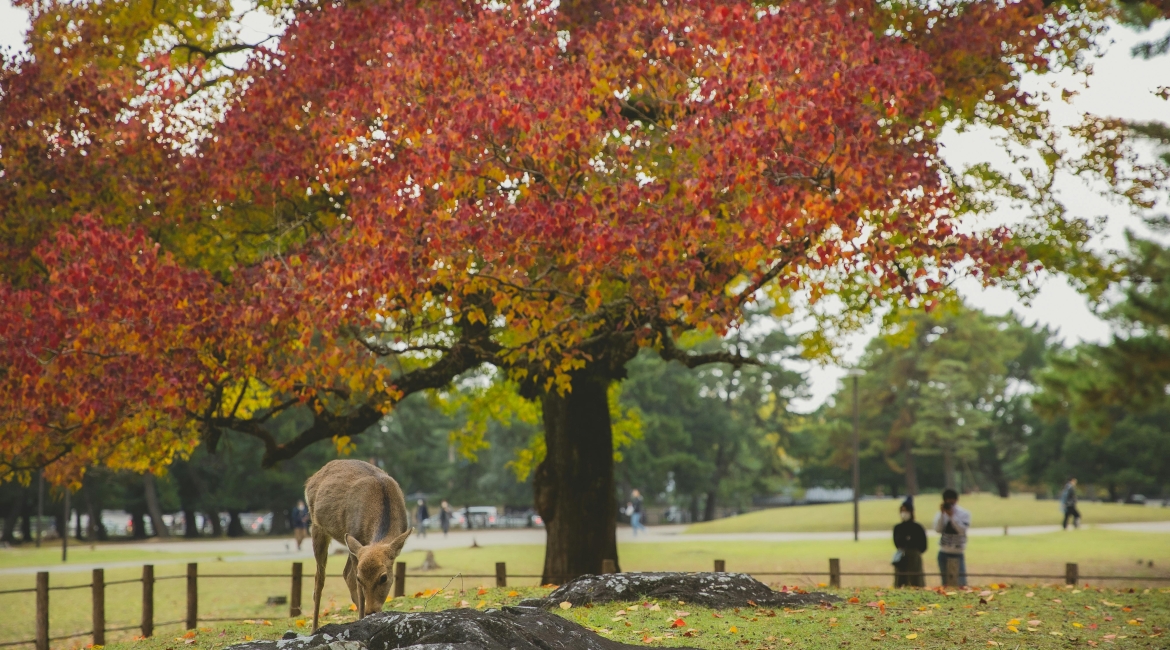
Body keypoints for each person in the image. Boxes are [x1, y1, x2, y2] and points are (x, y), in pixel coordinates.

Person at [933, 489, 970, 586]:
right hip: (944, 551)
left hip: (958, 551)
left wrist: (952, 517)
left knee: (961, 582)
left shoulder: (963, 514)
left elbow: (962, 530)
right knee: (945, 582)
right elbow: (937, 529)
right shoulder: (941, 514)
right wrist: (942, 514)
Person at [892, 496, 927, 587]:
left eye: (906, 511)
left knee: (915, 582)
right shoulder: (898, 528)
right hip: (901, 557)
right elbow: (896, 542)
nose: (904, 513)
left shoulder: (917, 528)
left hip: (914, 557)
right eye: (902, 511)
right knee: (900, 581)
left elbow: (923, 545)